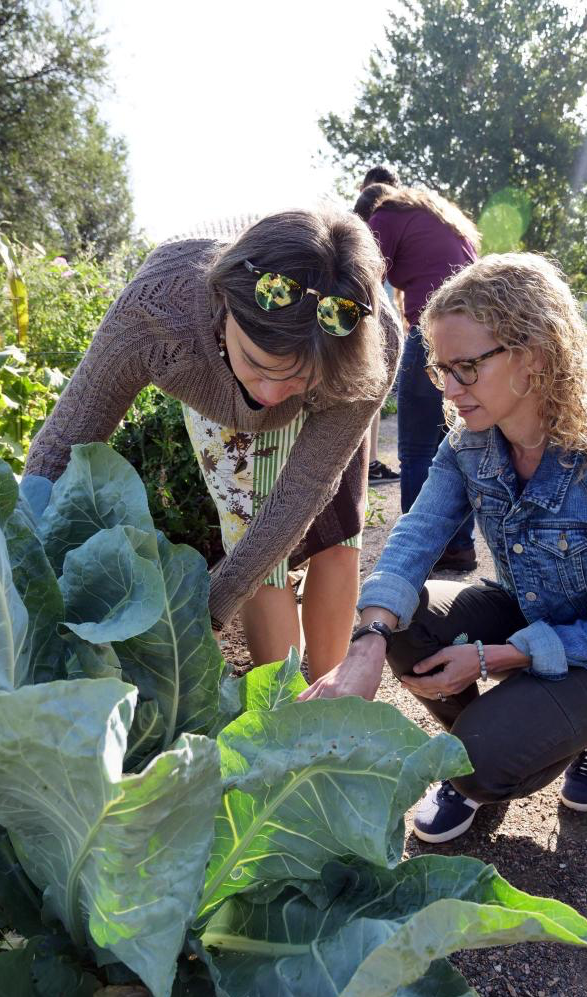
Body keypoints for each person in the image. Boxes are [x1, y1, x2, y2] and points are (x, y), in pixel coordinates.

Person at [301, 252, 587, 840]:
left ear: (532, 357)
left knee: (480, 761)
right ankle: (482, 749)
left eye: (467, 369)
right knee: (403, 620)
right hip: (532, 610)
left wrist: (493, 658)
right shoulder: (470, 444)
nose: (450, 390)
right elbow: (416, 534)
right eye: (441, 370)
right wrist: (368, 639)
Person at [22, 208, 401, 680]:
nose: (269, 394)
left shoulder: (372, 342)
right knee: (254, 540)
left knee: (340, 533)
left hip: (337, 377)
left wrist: (212, 606)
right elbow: (66, 439)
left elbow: (308, 486)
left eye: (297, 379)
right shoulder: (155, 310)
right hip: (211, 382)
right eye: (258, 365)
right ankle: (281, 707)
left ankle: (333, 694)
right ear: (224, 305)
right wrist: (15, 554)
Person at [356, 181, 480, 570]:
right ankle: (459, 546)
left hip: (435, 331)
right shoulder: (437, 217)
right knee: (457, 443)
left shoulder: (385, 216)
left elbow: (362, 281)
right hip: (476, 336)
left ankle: (417, 552)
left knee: (415, 449)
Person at [357, 166, 402, 486]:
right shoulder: (355, 222)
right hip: (361, 312)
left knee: (375, 391)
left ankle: (369, 464)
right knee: (360, 390)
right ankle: (360, 465)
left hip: (383, 315)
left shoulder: (393, 221)